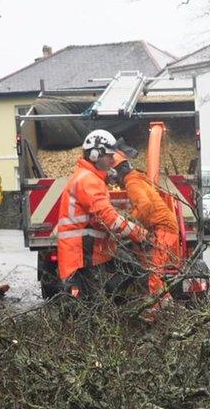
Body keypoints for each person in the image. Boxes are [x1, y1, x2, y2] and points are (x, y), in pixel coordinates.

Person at [57, 130, 148, 297]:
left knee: (131, 268)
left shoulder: (93, 178)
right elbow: (106, 217)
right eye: (109, 156)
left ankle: (113, 304)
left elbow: (101, 219)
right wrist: (138, 233)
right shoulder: (88, 180)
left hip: (90, 251)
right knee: (92, 304)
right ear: (95, 155)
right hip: (82, 255)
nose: (113, 160)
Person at [109, 152, 181, 303]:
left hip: (164, 228)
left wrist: (128, 221)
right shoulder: (137, 179)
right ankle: (167, 307)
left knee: (153, 272)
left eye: (114, 178)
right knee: (152, 270)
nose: (115, 183)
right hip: (160, 228)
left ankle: (154, 310)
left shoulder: (131, 183)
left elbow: (145, 205)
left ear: (118, 173)